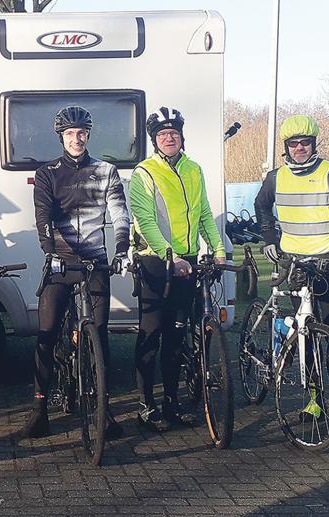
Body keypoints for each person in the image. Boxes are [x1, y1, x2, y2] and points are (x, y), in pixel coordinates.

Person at [21, 105, 131, 439]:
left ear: (88, 135)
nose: (77, 139)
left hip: (96, 262)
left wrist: (122, 249)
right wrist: (49, 252)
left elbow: (119, 213)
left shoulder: (106, 171)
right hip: (61, 262)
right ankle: (39, 409)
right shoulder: (48, 172)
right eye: (70, 134)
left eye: (82, 133)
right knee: (47, 333)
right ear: (62, 137)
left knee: (99, 335)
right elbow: (43, 215)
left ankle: (103, 408)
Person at [254, 114, 329, 433]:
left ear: (314, 144)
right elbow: (261, 207)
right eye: (294, 143)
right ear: (286, 147)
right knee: (306, 336)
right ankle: (312, 400)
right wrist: (270, 238)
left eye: (305, 143)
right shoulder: (275, 178)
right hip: (295, 265)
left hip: (328, 263)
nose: (300, 148)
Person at [129, 106, 226, 433]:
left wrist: (219, 249)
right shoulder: (143, 173)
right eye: (162, 134)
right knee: (151, 334)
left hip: (187, 262)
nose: (169, 138)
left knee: (176, 336)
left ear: (182, 137)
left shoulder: (194, 169)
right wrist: (170, 255)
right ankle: (146, 405)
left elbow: (203, 215)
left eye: (174, 133)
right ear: (154, 140)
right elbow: (145, 222)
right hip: (155, 263)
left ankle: (172, 402)